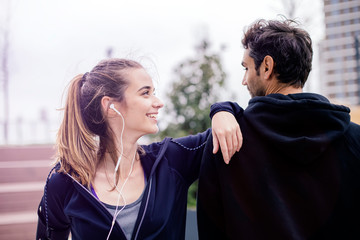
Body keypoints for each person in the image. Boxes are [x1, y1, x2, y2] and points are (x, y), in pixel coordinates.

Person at [36, 58, 242, 240]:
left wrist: (222, 110)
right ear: (110, 106)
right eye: (146, 93)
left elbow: (243, 123)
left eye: (154, 93)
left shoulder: (172, 159)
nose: (158, 103)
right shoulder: (65, 181)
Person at [197, 19, 360, 240]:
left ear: (267, 66)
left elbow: (211, 232)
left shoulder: (227, 142)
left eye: (246, 68)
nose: (244, 81)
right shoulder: (355, 139)